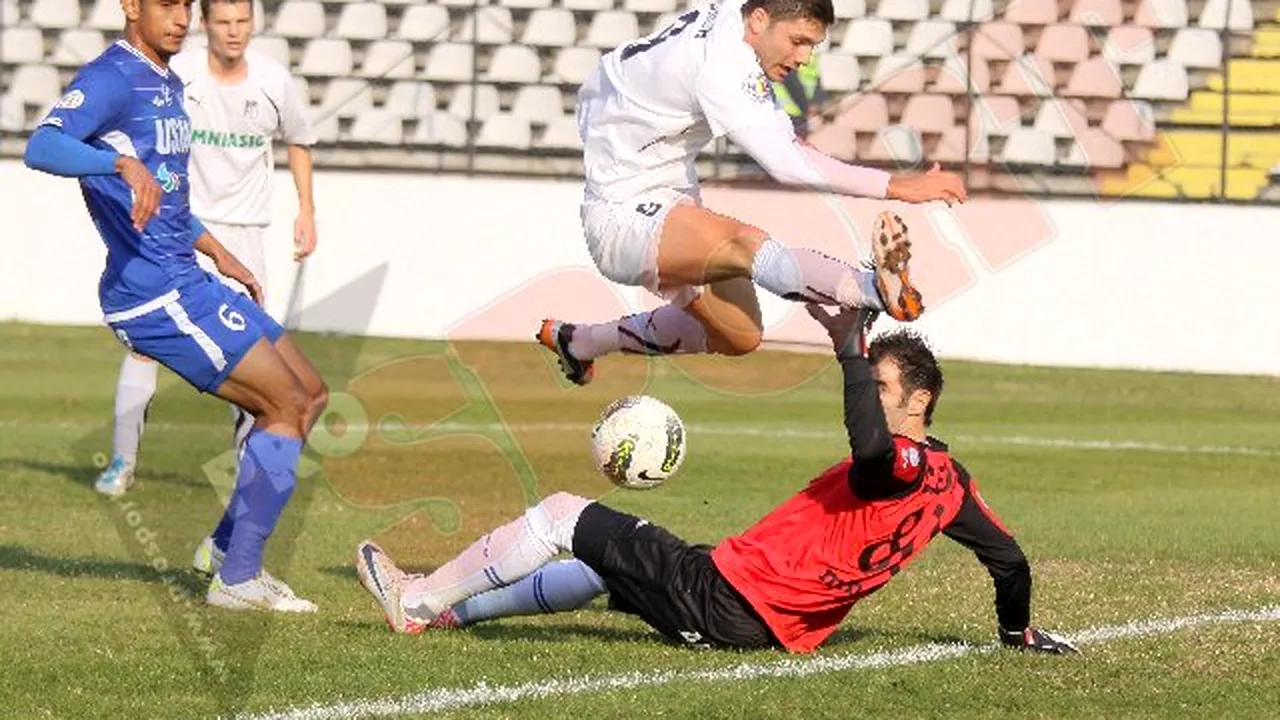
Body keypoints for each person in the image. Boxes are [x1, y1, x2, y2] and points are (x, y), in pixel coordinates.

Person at [355, 306, 1076, 655]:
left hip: (727, 600)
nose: (871, 394)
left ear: (920, 402)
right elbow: (1008, 559)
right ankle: (458, 613)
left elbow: (871, 451)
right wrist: (1016, 632)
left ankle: (415, 601)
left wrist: (852, 350)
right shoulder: (953, 484)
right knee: (607, 567)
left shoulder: (902, 464)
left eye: (884, 386)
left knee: (562, 515)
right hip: (764, 617)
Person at [23, 0, 327, 612]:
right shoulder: (113, 75)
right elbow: (42, 145)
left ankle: (222, 548)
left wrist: (218, 251)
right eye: (166, 5)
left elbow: (167, 196)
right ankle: (239, 579)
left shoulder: (166, 80)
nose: (182, 17)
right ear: (130, 7)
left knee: (312, 393)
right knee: (285, 403)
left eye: (187, 5)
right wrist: (117, 161)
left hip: (190, 274)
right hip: (154, 293)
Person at [536, 0, 967, 387]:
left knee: (739, 335)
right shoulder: (723, 63)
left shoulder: (732, 19)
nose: (805, 57)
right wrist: (895, 186)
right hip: (621, 217)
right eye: (798, 41)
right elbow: (786, 165)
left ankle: (579, 342)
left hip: (668, 194)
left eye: (812, 45)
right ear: (759, 19)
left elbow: (791, 147)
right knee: (744, 243)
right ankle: (872, 289)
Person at [94, 0, 319, 502]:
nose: (234, 32)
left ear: (254, 24)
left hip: (244, 235)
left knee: (262, 372)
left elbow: (299, 141)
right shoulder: (180, 74)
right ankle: (122, 461)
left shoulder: (274, 80)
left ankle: (247, 479)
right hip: (179, 230)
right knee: (142, 349)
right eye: (223, 21)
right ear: (207, 24)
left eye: (243, 22)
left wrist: (306, 210)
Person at [773, 56, 825, 139]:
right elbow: (792, 84)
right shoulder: (806, 53)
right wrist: (809, 107)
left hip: (797, 112)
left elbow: (817, 79)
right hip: (790, 112)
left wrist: (815, 104)